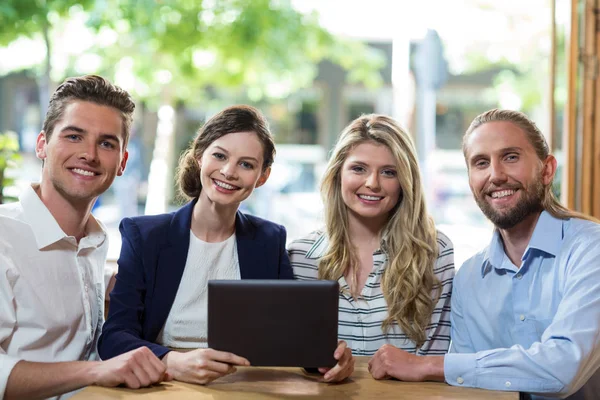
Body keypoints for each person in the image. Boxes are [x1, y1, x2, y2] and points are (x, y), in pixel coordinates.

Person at [98, 105, 354, 385]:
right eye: (219, 156)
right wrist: (170, 360)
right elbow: (114, 337)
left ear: (263, 176)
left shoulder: (269, 240)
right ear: (199, 157)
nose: (229, 172)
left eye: (246, 164)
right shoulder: (145, 236)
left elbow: (292, 336)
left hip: (243, 385)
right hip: (164, 384)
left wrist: (324, 357)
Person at [367, 109, 600, 399]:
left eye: (511, 157)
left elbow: (563, 367)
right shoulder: (469, 277)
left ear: (547, 170)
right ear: (470, 180)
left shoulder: (591, 249)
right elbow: (473, 391)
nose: (496, 175)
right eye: (481, 163)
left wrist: (426, 365)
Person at [0, 75, 169, 400]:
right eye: (74, 136)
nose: (89, 154)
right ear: (41, 145)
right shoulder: (4, 237)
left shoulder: (95, 240)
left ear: (121, 162)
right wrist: (99, 371)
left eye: (106, 143)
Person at [288, 115, 455, 362]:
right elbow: (292, 359)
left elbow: (431, 363)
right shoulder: (298, 257)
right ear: (338, 174)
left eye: (389, 172)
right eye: (359, 169)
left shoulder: (434, 252)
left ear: (405, 182)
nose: (372, 183)